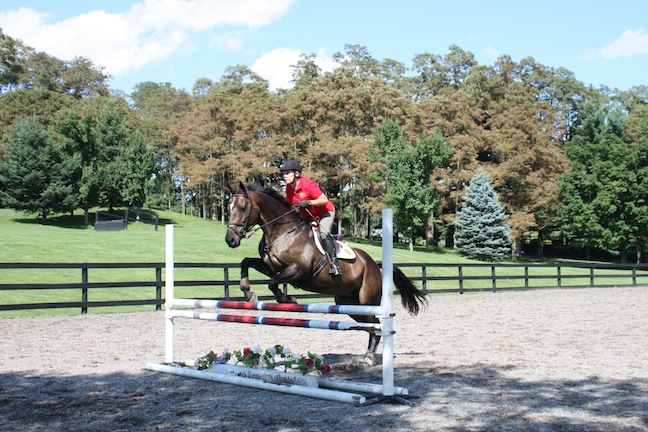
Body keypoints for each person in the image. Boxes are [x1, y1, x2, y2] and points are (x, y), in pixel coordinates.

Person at [279, 159, 341, 276]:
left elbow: (324, 200)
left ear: (296, 174)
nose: (284, 176)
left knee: (323, 234)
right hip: (308, 216)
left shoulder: (308, 184)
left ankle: (334, 264)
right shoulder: (289, 188)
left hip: (325, 212)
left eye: (287, 173)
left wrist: (308, 202)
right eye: (283, 174)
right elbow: (289, 204)